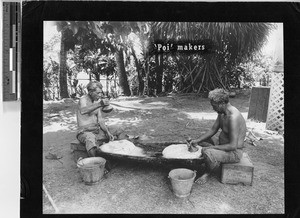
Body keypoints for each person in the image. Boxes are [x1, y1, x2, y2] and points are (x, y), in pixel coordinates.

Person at [190, 88, 247, 184]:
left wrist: (213, 147)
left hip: (234, 152)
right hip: (223, 145)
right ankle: (209, 160)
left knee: (208, 152)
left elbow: (233, 146)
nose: (213, 108)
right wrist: (197, 140)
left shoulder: (233, 117)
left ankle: (207, 173)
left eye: (214, 106)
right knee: (202, 142)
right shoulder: (222, 113)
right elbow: (213, 130)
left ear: (221, 104)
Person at [76, 81, 123, 157]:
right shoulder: (83, 99)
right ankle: (97, 162)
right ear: (91, 92)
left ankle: (121, 154)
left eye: (101, 92)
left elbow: (100, 120)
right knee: (90, 139)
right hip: (84, 132)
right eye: (98, 93)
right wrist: (100, 104)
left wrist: (107, 132)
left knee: (119, 129)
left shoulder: (97, 101)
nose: (100, 95)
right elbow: (83, 110)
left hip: (97, 131)